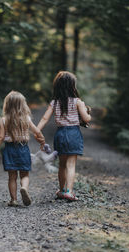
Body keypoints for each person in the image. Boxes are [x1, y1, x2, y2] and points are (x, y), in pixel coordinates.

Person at [36, 71, 91, 201]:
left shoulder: (54, 103)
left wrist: (37, 131)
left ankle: (61, 190)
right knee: (71, 164)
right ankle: (69, 192)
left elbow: (44, 118)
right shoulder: (78, 102)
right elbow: (86, 119)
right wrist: (87, 111)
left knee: (62, 164)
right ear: (72, 86)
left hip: (60, 134)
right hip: (73, 134)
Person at [0, 91, 45, 207]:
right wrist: (42, 140)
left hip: (10, 149)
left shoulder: (4, 120)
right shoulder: (26, 119)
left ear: (7, 105)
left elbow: (0, 137)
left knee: (12, 177)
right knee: (25, 174)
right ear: (23, 105)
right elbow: (37, 131)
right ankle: (24, 188)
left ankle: (13, 200)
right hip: (23, 148)